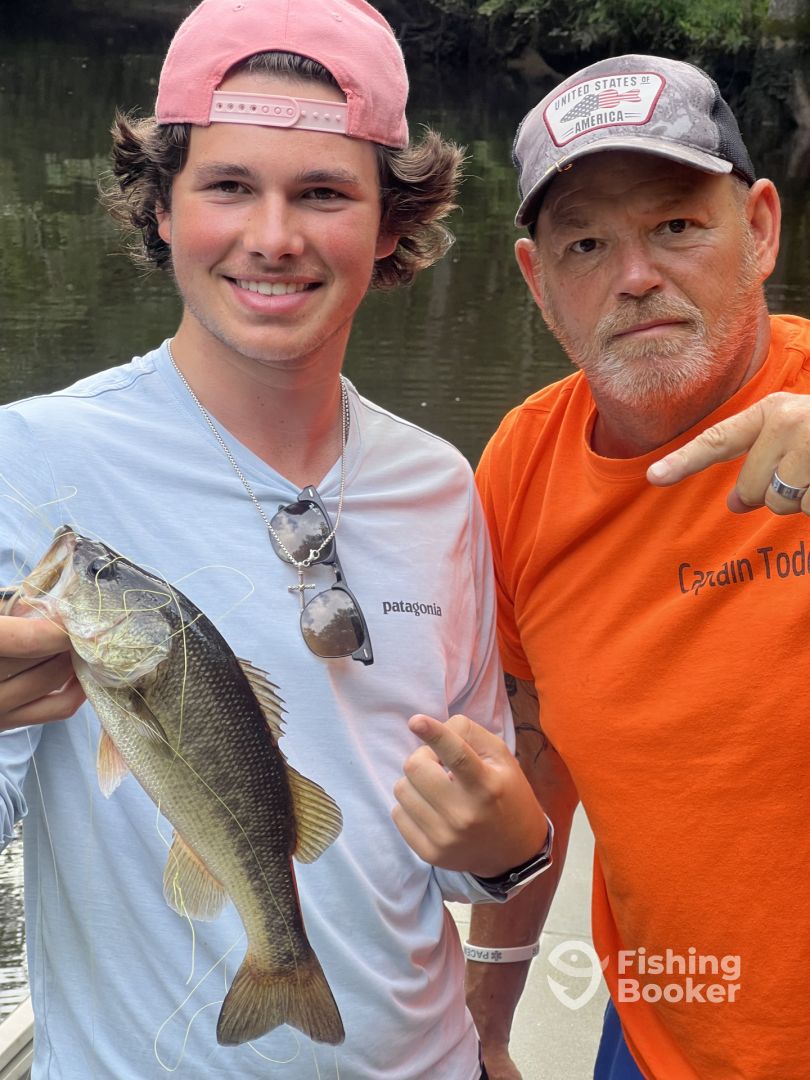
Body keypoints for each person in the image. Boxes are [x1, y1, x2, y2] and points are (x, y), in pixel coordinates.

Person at [0, 1, 550, 1076]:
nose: (273, 236)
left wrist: (509, 851)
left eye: (324, 193)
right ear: (161, 206)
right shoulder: (27, 460)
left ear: (390, 225)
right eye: (228, 186)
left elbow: (452, 844)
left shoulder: (439, 485)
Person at [465, 54, 810, 1080]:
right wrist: (487, 1019)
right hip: (660, 1031)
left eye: (676, 226)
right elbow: (538, 761)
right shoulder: (521, 470)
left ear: (759, 230)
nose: (636, 277)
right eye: (586, 243)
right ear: (539, 283)